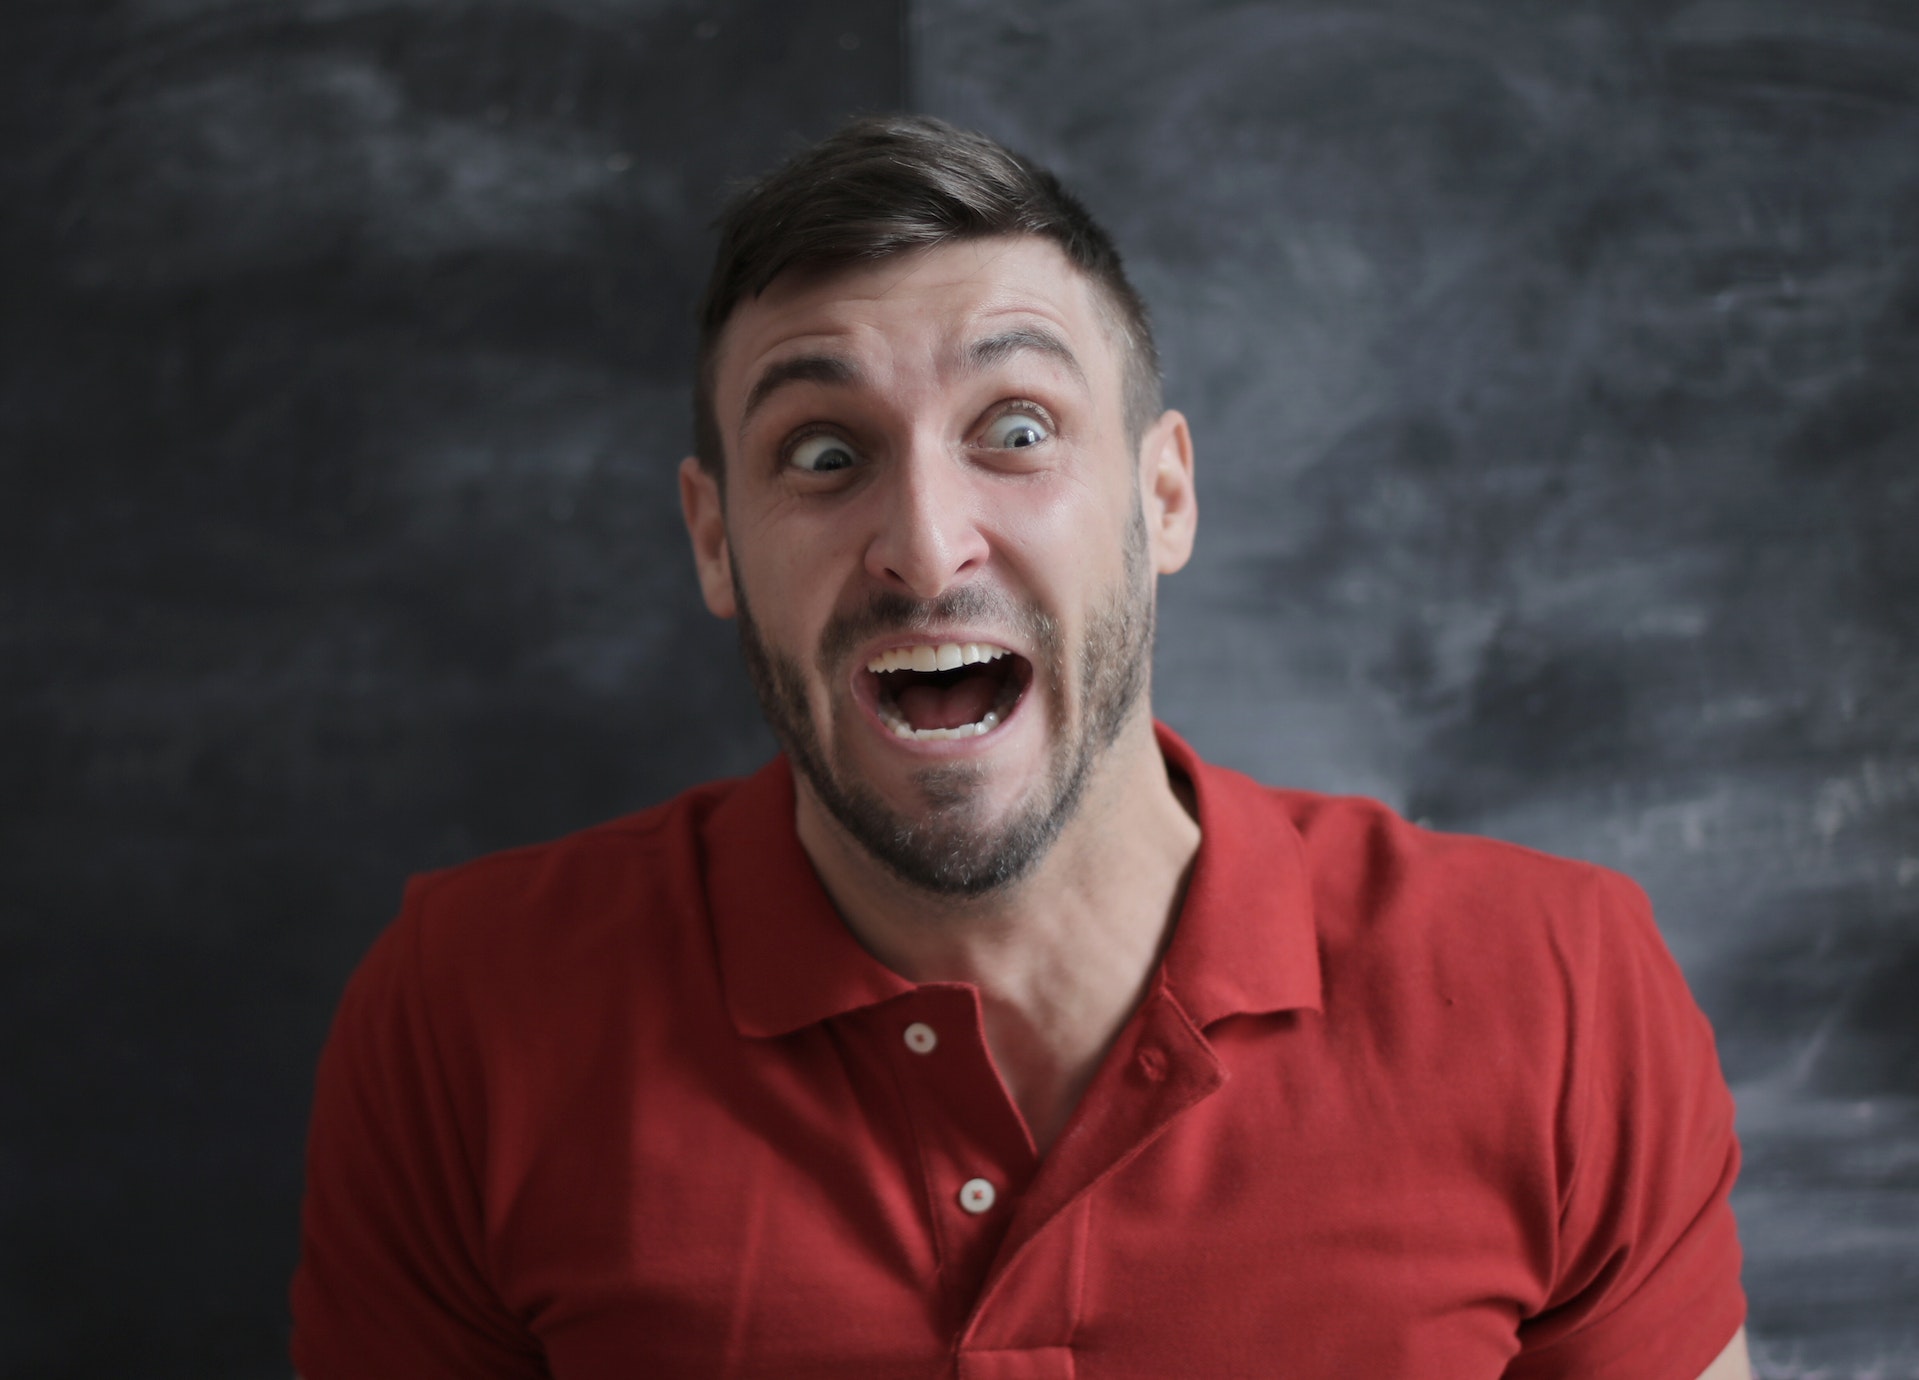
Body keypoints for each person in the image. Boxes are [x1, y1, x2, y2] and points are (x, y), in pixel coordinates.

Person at [290, 115, 1750, 1379]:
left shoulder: (1558, 993)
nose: (925, 549)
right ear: (714, 538)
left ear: (1163, 498)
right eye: (822, 453)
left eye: (1018, 427)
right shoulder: (465, 1014)